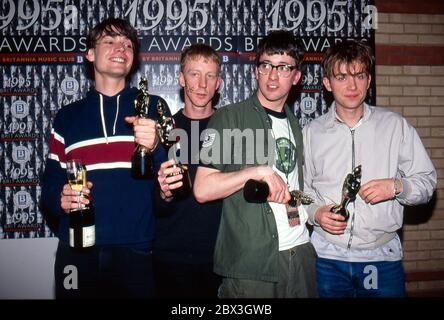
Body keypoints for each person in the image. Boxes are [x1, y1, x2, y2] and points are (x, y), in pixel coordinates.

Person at [40, 18, 168, 299]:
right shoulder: (66, 118)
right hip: (76, 251)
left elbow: (170, 184)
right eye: (109, 41)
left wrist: (156, 146)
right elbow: (50, 185)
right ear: (90, 53)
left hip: (135, 250)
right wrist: (59, 199)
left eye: (127, 43)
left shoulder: (154, 107)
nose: (120, 48)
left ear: (134, 58)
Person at [302, 40, 437, 298]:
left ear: (369, 80)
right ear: (328, 84)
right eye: (342, 77)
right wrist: (315, 212)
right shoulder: (311, 133)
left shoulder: (395, 127)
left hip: (381, 259)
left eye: (359, 75)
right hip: (326, 259)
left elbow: (427, 183)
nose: (352, 86)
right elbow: (302, 191)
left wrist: (398, 187)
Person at [194, 30, 317, 298]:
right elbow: (202, 189)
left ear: (296, 77)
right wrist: (257, 172)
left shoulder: (296, 124)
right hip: (251, 266)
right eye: (266, 66)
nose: (273, 76)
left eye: (283, 67)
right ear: (256, 71)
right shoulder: (228, 118)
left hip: (302, 253)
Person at [153, 43, 223, 298]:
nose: (202, 84)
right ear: (181, 79)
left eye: (210, 76)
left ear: (219, 83)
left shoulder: (231, 129)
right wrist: (165, 193)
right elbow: (156, 205)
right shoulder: (164, 132)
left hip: (220, 259)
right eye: (194, 74)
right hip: (170, 258)